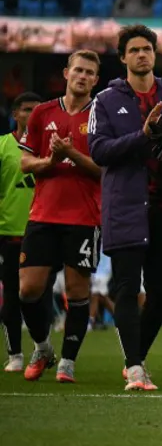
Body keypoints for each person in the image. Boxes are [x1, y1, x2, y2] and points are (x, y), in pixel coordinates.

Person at [89, 26, 162, 392]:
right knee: (126, 287)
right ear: (123, 57)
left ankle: (135, 359)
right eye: (135, 50)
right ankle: (136, 367)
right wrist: (144, 135)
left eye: (147, 49)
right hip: (126, 207)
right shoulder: (105, 100)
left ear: (155, 54)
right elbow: (99, 151)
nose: (142, 55)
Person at [16, 53, 102, 384]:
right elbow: (25, 163)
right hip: (44, 214)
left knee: (78, 291)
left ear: (96, 80)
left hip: (84, 216)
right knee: (28, 289)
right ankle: (42, 348)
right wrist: (50, 161)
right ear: (66, 73)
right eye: (78, 69)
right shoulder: (42, 112)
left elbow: (104, 170)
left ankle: (67, 362)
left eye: (89, 72)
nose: (82, 76)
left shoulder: (101, 116)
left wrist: (70, 154)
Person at [1, 92, 42, 372]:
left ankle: (41, 347)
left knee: (40, 296)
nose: (32, 114)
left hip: (42, 231)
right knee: (12, 295)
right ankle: (15, 354)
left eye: (37, 110)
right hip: (10, 233)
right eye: (27, 109)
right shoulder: (3, 146)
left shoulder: (51, 146)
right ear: (15, 114)